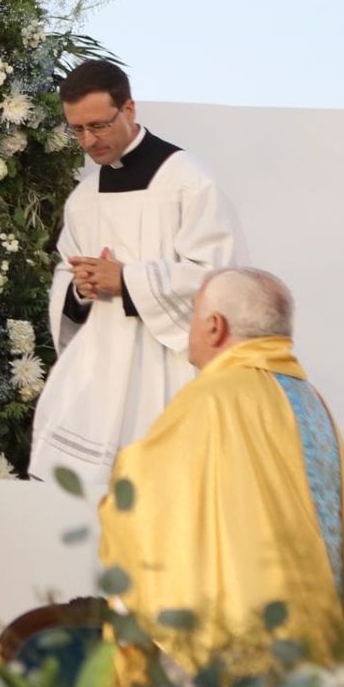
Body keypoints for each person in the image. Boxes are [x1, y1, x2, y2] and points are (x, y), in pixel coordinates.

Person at [99, 268, 344, 687]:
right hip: (323, 640)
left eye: (194, 316)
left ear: (214, 327)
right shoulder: (311, 400)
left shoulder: (213, 397)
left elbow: (139, 497)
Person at [28, 59, 246, 487]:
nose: (89, 141)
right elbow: (66, 271)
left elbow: (221, 276)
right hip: (101, 366)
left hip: (170, 364)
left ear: (128, 109)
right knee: (83, 500)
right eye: (77, 130)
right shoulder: (84, 198)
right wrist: (80, 288)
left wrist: (128, 281)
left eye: (98, 126)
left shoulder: (186, 179)